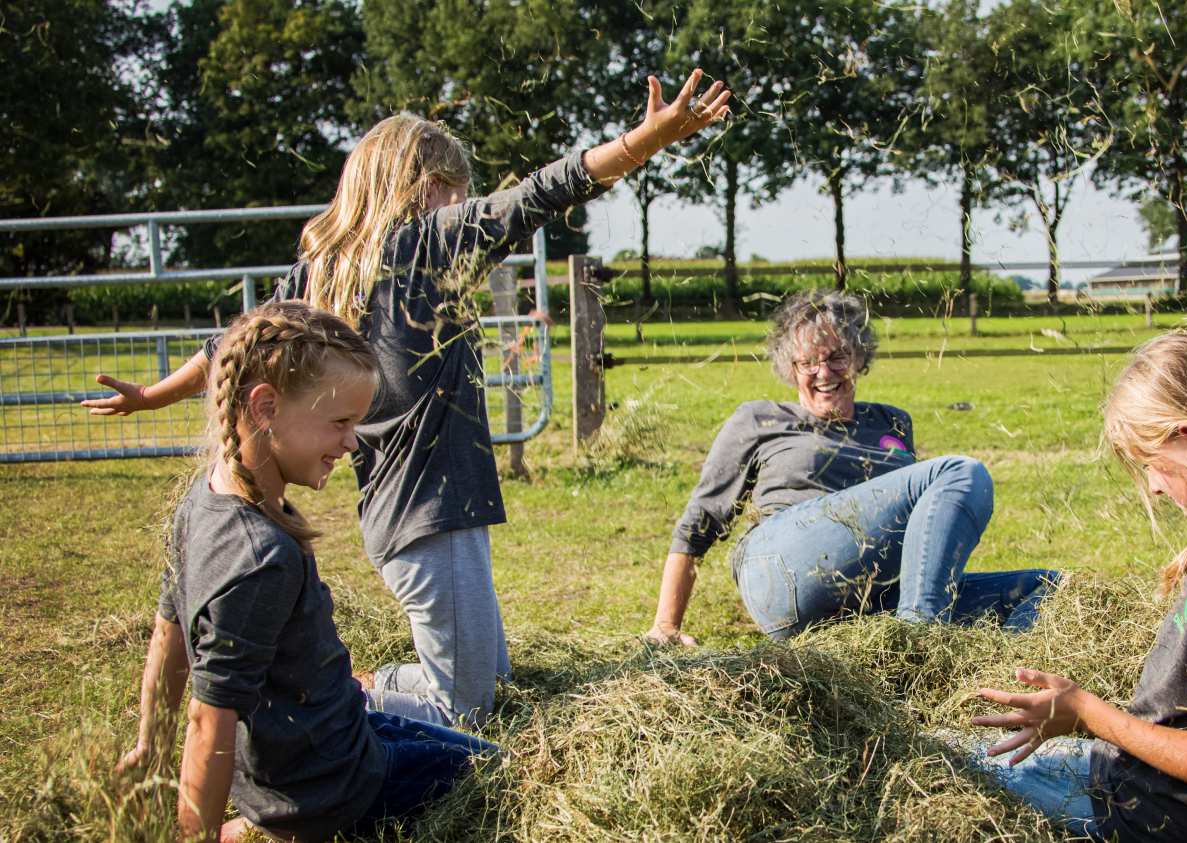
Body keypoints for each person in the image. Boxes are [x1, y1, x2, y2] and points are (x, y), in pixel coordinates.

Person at [85, 71, 734, 727]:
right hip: (431, 516)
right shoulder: (428, 245)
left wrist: (149, 396)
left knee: (494, 680)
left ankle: (370, 686)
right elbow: (539, 194)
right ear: (426, 187)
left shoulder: (325, 270)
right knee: (467, 705)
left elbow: (232, 345)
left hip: (413, 513)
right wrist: (645, 140)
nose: (466, 203)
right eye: (457, 190)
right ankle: (347, 697)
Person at [116, 302, 498, 843]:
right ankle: (264, 829)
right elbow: (210, 720)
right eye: (340, 423)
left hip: (334, 738)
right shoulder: (260, 557)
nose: (351, 442)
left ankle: (257, 822)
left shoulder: (199, 504)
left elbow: (168, 632)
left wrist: (149, 742)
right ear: (266, 407)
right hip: (335, 788)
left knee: (472, 744)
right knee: (506, 773)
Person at [959, 331, 1187, 842]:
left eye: (1152, 463)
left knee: (943, 757)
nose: (1153, 485)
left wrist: (1086, 712)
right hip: (1156, 789)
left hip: (1146, 812)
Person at [646, 290, 1057, 645]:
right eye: (808, 363)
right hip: (783, 563)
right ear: (791, 370)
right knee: (961, 473)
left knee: (1047, 587)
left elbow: (917, 530)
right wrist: (666, 624)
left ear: (859, 357)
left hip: (865, 602)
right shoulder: (760, 419)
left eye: (838, 357)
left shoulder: (892, 421)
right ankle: (918, 641)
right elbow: (699, 523)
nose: (824, 373)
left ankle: (995, 675)